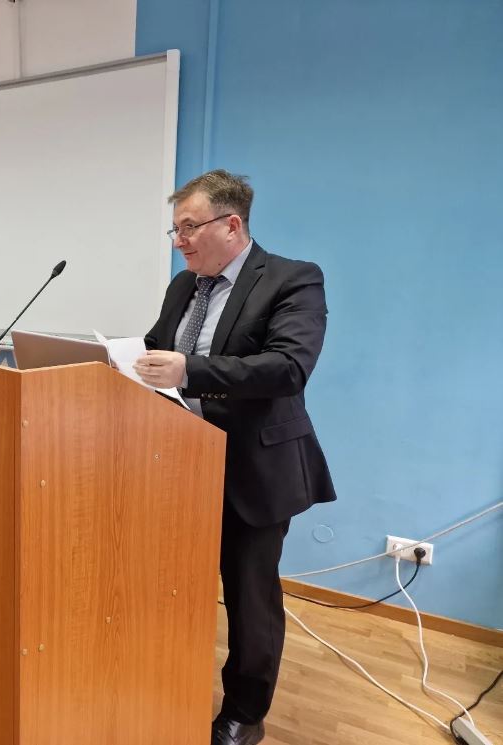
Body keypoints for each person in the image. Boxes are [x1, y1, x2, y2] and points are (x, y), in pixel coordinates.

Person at [133, 170, 336, 745]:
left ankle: (245, 714)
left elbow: (288, 367)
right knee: (171, 583)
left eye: (189, 227)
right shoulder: (183, 286)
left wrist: (190, 370)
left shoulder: (293, 279)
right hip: (179, 464)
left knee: (250, 599)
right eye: (174, 230)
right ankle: (164, 682)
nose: (179, 241)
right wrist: (120, 359)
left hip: (255, 468)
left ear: (232, 224)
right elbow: (156, 347)